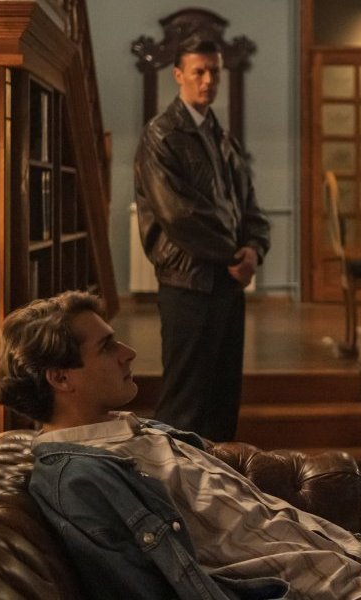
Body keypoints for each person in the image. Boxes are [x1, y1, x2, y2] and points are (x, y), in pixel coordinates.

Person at [0, 291, 361, 600]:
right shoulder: (79, 477)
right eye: (107, 347)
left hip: (343, 556)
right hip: (314, 592)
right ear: (61, 377)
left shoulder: (130, 428)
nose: (128, 352)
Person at [135, 36, 269, 442]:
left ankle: (218, 481)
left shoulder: (223, 138)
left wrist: (254, 250)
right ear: (178, 75)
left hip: (227, 283)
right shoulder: (161, 135)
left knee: (223, 403)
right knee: (184, 405)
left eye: (215, 72)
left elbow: (250, 207)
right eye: (199, 71)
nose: (208, 80)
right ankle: (173, 482)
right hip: (188, 284)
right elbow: (179, 216)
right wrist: (233, 255)